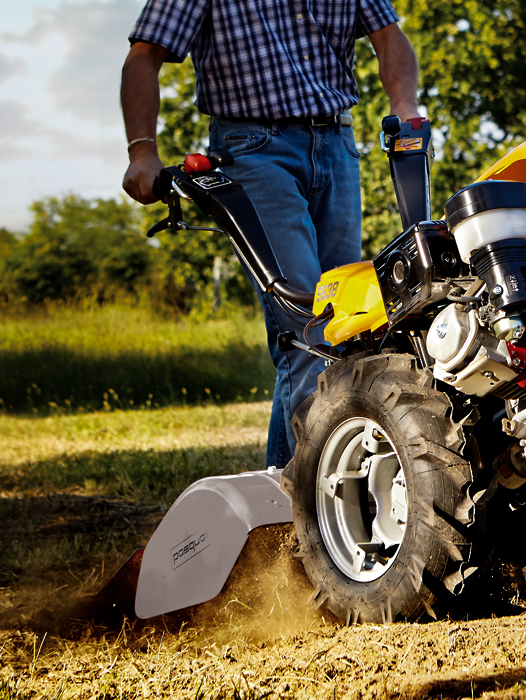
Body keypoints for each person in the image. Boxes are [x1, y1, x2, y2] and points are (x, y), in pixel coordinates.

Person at [119, 0, 420, 469]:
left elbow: (388, 35)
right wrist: (142, 149)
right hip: (252, 150)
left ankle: (292, 494)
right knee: (308, 324)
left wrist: (405, 106)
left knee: (348, 321)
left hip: (337, 145)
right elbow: (143, 56)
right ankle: (308, 501)